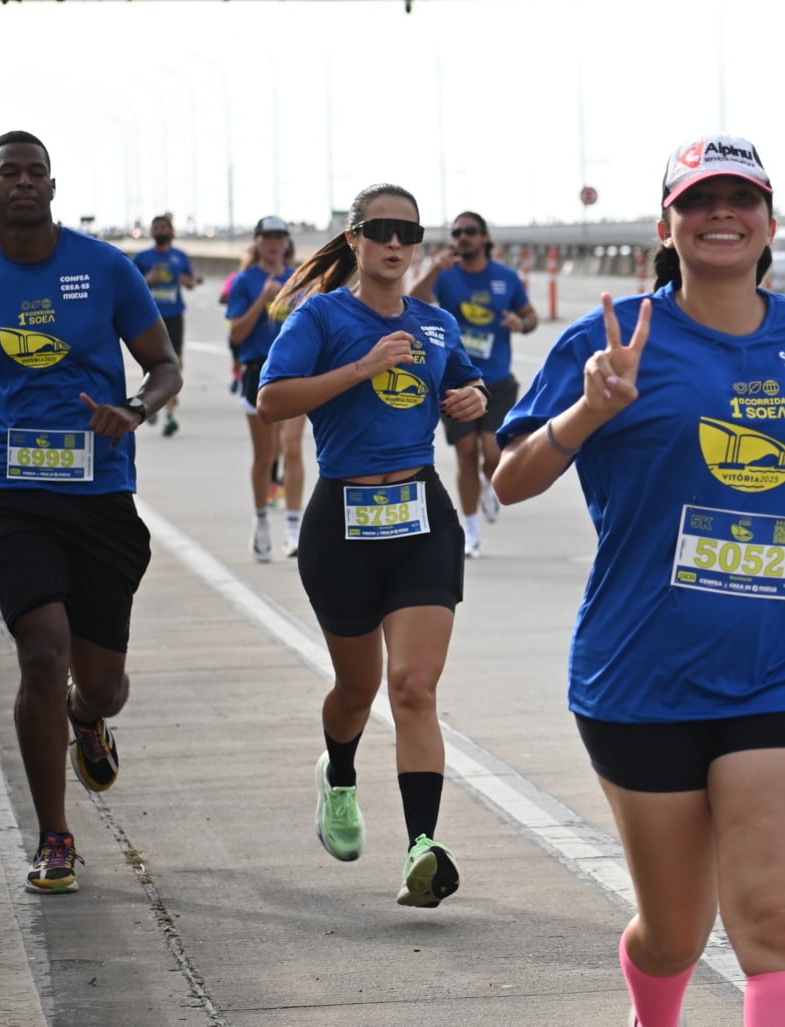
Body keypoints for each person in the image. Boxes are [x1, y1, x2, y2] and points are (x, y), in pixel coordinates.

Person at [491, 134, 785, 1027]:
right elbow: (509, 479)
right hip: (641, 672)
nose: (722, 213)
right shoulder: (605, 337)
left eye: (741, 199)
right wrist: (590, 408)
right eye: (701, 199)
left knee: (777, 921)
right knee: (676, 933)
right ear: (666, 225)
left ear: (770, 224)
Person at [256, 182, 488, 908]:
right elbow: (272, 399)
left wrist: (472, 399)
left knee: (414, 686)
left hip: (420, 516)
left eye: (408, 233)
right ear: (354, 238)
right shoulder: (321, 316)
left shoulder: (437, 324)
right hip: (345, 523)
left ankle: (422, 846)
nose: (396, 243)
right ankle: (339, 772)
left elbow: (462, 388)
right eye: (381, 229)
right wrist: (362, 368)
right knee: (357, 688)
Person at [0, 130, 182, 893]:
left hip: (100, 499)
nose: (23, 182)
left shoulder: (104, 268)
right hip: (10, 495)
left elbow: (164, 365)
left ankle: (86, 716)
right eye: (9, 172)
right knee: (41, 648)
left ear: (52, 188)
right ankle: (55, 835)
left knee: (102, 682)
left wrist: (133, 407)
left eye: (36, 172)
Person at [408, 212, 536, 557]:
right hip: (455, 381)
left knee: (492, 454)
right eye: (457, 232)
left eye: (470, 232)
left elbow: (531, 316)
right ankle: (472, 530)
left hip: (498, 382)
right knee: (466, 454)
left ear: (484, 238)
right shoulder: (446, 276)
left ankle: (489, 487)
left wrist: (519, 324)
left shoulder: (505, 278)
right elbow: (411, 304)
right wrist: (434, 269)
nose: (462, 237)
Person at [226, 216, 306, 559]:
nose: (274, 243)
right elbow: (236, 334)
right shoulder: (245, 281)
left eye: (280, 237)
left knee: (292, 448)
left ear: (287, 242)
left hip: (296, 372)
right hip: (258, 371)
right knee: (264, 456)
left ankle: (293, 528)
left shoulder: (299, 280)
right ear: (257, 241)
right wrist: (264, 299)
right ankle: (261, 523)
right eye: (268, 237)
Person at [132, 213, 203, 436]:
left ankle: (170, 416)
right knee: (150, 365)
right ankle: (151, 401)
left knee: (175, 364)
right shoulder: (142, 258)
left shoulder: (180, 256)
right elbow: (130, 286)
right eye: (157, 227)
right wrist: (147, 280)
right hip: (150, 317)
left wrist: (190, 281)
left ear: (172, 232)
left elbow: (190, 282)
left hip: (174, 316)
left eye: (165, 227)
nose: (161, 231)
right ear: (152, 232)